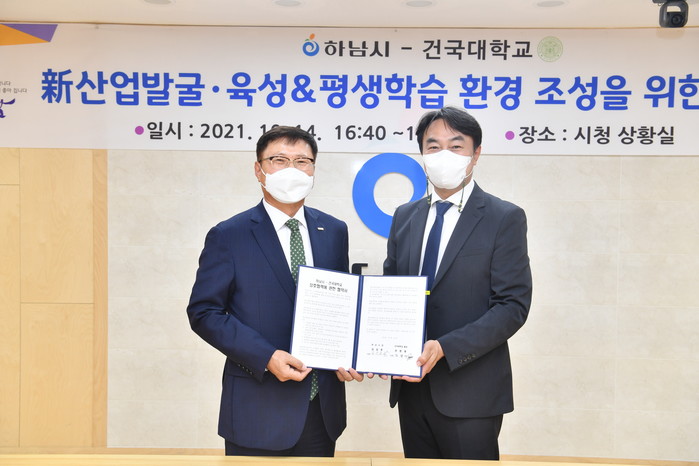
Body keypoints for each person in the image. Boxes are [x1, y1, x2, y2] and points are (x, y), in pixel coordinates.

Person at [187, 126, 363, 457]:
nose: (291, 170)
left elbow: (340, 304)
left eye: (302, 161)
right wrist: (266, 356)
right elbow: (204, 312)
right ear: (259, 169)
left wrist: (350, 353)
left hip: (320, 408)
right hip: (257, 408)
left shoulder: (333, 231)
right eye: (279, 160)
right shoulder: (229, 235)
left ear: (313, 171)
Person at [383, 106, 533, 460]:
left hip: (471, 391)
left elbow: (512, 306)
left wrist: (445, 348)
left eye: (456, 145)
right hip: (411, 387)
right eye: (433, 146)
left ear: (475, 154)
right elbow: (391, 293)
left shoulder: (503, 218)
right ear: (422, 155)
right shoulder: (405, 216)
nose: (443, 155)